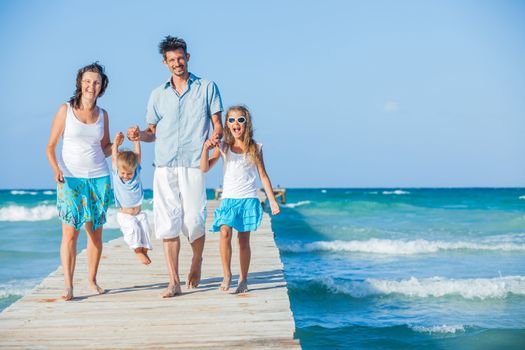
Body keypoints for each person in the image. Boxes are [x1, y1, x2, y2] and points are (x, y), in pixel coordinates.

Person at [128, 36, 223, 297]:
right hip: (164, 165)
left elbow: (218, 123)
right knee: (168, 224)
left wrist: (216, 135)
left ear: (188, 57)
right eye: (172, 60)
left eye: (180, 58)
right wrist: (139, 136)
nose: (177, 63)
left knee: (194, 220)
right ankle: (174, 281)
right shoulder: (157, 94)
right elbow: (152, 132)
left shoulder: (207, 87)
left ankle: (197, 259)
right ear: (165, 63)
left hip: (193, 163)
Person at [46, 62, 112, 301]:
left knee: (94, 235)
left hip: (98, 179)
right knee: (70, 234)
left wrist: (117, 144)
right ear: (80, 83)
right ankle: (68, 286)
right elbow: (50, 146)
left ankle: (92, 281)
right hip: (70, 179)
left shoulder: (103, 115)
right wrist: (56, 169)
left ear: (101, 86)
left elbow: (104, 149)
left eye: (96, 82)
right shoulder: (65, 110)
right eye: (87, 81)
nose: (91, 86)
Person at [200, 105, 280, 293]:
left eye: (240, 120)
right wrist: (205, 149)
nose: (236, 124)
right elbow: (204, 168)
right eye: (232, 120)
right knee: (225, 232)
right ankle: (227, 274)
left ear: (247, 123)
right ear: (227, 124)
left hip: (248, 200)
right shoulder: (224, 147)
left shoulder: (255, 147)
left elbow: (263, 176)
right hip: (229, 199)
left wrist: (272, 200)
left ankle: (243, 279)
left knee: (243, 241)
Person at [111, 131, 152, 265]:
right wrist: (116, 144)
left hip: (138, 213)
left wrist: (136, 141)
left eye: (129, 173)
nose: (126, 176)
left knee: (145, 227)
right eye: (123, 173)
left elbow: (138, 156)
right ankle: (137, 251)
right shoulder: (117, 177)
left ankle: (144, 249)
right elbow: (113, 159)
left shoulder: (136, 174)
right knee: (133, 229)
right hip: (125, 215)